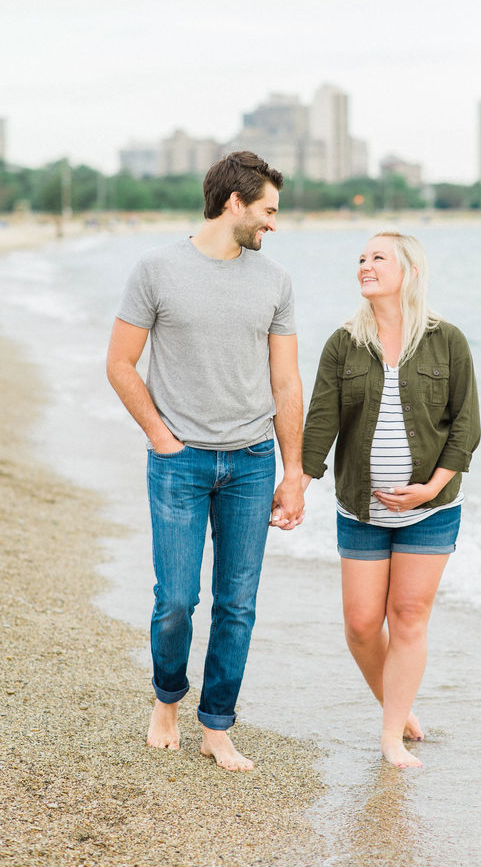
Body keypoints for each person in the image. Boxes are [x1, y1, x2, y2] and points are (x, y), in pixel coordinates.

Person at [106, 151, 304, 772]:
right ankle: (167, 698)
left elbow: (287, 383)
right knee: (176, 599)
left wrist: (293, 473)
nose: (273, 223)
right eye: (268, 210)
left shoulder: (273, 280)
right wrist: (161, 437)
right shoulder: (157, 269)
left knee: (237, 604)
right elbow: (119, 363)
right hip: (180, 462)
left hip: (251, 461)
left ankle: (217, 725)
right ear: (235, 201)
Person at [301, 230, 480, 769]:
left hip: (431, 509)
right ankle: (397, 709)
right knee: (360, 625)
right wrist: (295, 487)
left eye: (378, 258)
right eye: (361, 258)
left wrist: (429, 487)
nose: (365, 266)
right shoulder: (343, 343)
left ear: (410, 271)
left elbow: (466, 425)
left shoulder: (447, 340)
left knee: (407, 616)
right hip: (361, 507)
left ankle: (389, 737)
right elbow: (321, 423)